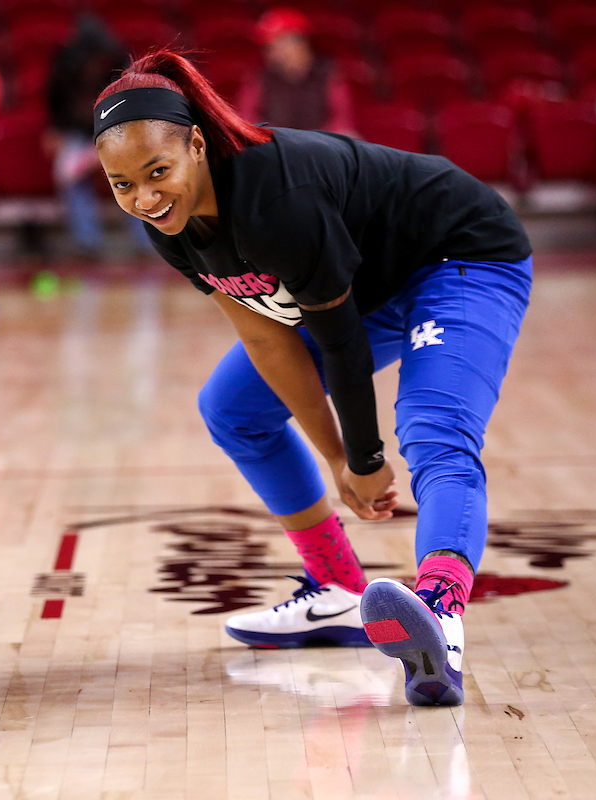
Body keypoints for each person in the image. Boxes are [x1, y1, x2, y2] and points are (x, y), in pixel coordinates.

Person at [93, 50, 532, 707]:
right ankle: (338, 590)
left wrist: (363, 459)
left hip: (460, 254)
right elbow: (266, 338)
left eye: (158, 173)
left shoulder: (275, 200)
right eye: (122, 185)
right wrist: (335, 456)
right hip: (367, 284)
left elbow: (340, 342)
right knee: (232, 408)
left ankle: (439, 614)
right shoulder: (170, 223)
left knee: (433, 429)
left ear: (196, 144)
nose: (145, 198)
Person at [45, 16, 152, 258]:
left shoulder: (120, 63)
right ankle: (87, 242)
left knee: (136, 174)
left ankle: (147, 240)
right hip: (77, 134)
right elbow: (55, 104)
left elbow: (134, 105)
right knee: (69, 175)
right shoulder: (65, 65)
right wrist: (56, 132)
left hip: (116, 131)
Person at [235, 8, 356, 137]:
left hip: (321, 141)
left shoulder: (328, 73)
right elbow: (247, 118)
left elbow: (342, 120)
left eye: (276, 44)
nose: (270, 52)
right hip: (276, 142)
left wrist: (314, 140)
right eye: (268, 46)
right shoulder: (260, 77)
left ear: (298, 42)